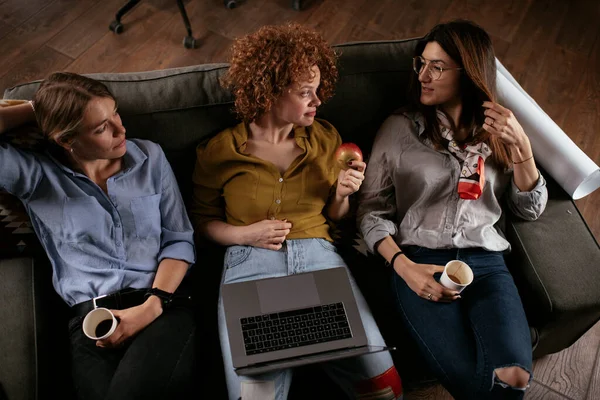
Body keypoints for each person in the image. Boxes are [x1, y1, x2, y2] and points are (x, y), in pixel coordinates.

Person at [191, 23, 403, 400]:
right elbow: (202, 223)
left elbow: (337, 217)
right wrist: (246, 234)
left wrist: (342, 194)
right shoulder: (220, 150)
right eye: (306, 93)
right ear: (269, 92)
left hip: (319, 260)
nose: (317, 100)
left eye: (318, 90)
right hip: (249, 266)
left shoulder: (326, 138)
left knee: (385, 386)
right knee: (253, 397)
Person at [357, 20, 548, 400]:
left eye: (437, 67)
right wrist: (404, 268)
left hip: (488, 264)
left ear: (469, 73)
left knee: (513, 376)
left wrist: (523, 148)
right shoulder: (399, 128)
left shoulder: (500, 130)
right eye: (421, 64)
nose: (423, 76)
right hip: (420, 260)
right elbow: (370, 211)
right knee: (484, 385)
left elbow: (528, 210)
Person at [0, 73, 197, 400]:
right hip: (92, 326)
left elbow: (179, 240)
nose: (121, 130)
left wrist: (152, 305)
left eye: (115, 113)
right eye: (101, 127)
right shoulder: (38, 179)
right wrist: (37, 110)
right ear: (66, 140)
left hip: (160, 307)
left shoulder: (150, 158)